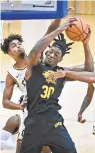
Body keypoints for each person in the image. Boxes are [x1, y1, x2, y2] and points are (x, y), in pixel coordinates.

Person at [0, 9, 74, 152]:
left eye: (19, 43)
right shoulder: (12, 74)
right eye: (14, 46)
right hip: (30, 111)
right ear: (9, 53)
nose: (18, 46)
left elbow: (49, 33)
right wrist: (20, 106)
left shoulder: (36, 59)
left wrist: (59, 16)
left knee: (47, 148)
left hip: (44, 107)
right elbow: (5, 102)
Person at [17, 19, 93, 152]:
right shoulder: (34, 67)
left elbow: (89, 71)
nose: (51, 55)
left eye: (56, 54)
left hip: (54, 124)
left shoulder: (62, 72)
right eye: (49, 51)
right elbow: (36, 50)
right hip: (33, 124)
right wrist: (59, 28)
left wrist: (85, 44)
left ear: (61, 59)